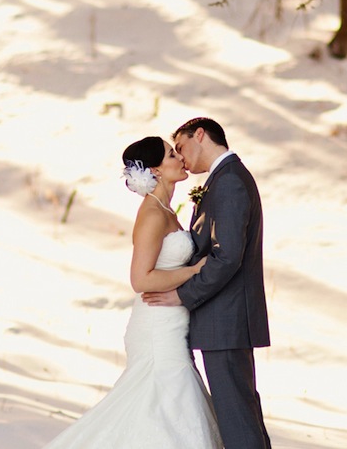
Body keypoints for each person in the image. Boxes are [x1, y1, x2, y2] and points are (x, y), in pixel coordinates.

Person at [41, 136, 221, 449]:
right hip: (156, 327)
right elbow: (141, 279)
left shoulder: (167, 211)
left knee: (160, 408)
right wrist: (194, 271)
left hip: (171, 321)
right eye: (170, 154)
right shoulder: (152, 214)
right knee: (167, 403)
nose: (179, 157)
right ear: (156, 170)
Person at [143, 117, 272, 449]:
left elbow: (226, 257)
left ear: (200, 135)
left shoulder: (228, 182)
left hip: (225, 321)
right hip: (223, 321)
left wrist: (182, 296)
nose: (181, 157)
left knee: (237, 420)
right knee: (241, 414)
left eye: (181, 147)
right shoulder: (224, 179)